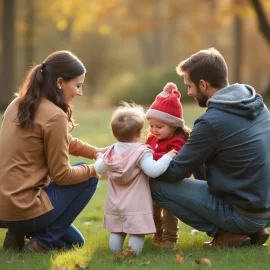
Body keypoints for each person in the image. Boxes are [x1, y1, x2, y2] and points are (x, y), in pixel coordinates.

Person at [150, 48, 270, 248]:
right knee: (200, 163)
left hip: (243, 212)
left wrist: (143, 164)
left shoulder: (211, 122)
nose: (188, 92)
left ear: (203, 84)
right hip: (263, 208)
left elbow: (173, 173)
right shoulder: (256, 104)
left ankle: (229, 233)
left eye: (189, 86)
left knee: (155, 185)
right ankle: (252, 229)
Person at [0, 50, 106, 253]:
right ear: (59, 82)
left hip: (3, 208)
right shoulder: (55, 116)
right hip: (23, 209)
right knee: (89, 179)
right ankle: (42, 242)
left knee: (74, 242)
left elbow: (62, 141)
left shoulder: (17, 104)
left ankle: (16, 234)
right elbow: (63, 176)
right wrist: (95, 169)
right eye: (77, 85)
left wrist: (95, 152)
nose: (80, 92)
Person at [93, 102, 177, 255]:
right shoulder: (141, 152)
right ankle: (132, 254)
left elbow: (98, 168)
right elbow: (154, 170)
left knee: (117, 231)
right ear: (139, 134)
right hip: (136, 204)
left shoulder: (111, 151)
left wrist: (99, 157)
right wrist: (168, 156)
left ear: (114, 133)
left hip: (115, 203)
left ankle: (114, 254)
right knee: (137, 232)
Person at [145, 82, 191, 247]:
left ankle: (170, 239)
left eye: (159, 126)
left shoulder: (178, 141)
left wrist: (151, 157)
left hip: (171, 186)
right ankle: (157, 236)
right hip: (153, 184)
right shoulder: (151, 138)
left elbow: (175, 160)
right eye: (151, 125)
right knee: (153, 211)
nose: (154, 130)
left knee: (170, 213)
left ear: (174, 125)